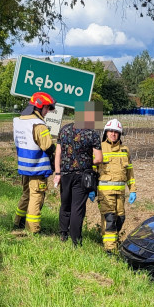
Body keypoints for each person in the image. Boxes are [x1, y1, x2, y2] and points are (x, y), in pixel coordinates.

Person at [53, 101, 103, 246]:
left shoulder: (64, 130)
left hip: (65, 174)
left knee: (65, 204)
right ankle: (76, 240)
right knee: (77, 208)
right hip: (82, 176)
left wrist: (58, 172)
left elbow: (58, 153)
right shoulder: (92, 134)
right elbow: (99, 159)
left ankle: (63, 234)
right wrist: (87, 162)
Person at [12, 92, 57, 235]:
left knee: (26, 194)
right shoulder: (38, 124)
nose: (47, 112)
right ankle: (33, 229)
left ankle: (18, 221)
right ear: (39, 107)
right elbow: (48, 146)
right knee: (36, 196)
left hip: (24, 166)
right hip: (37, 167)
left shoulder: (20, 120)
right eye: (47, 108)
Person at [96, 119, 136, 253]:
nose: (113, 134)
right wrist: (91, 189)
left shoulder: (125, 150)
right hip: (105, 193)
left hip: (120, 193)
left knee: (120, 218)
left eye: (116, 132)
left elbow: (130, 172)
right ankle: (110, 249)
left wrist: (133, 190)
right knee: (110, 219)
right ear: (106, 133)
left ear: (120, 134)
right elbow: (92, 170)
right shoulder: (99, 147)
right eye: (111, 131)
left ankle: (110, 239)